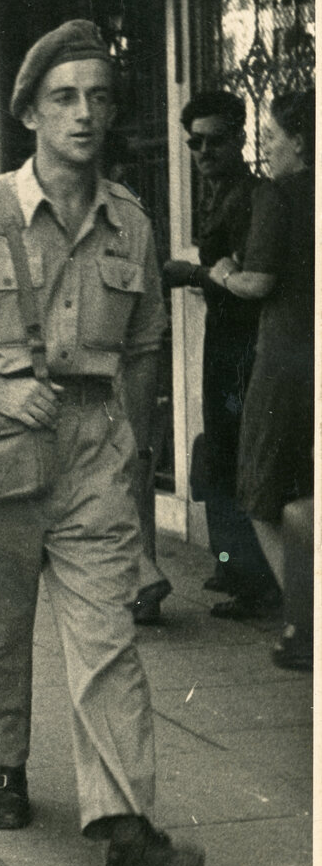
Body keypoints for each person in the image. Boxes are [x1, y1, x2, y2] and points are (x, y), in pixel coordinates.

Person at [0, 20, 205, 866]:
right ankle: (1, 763)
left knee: (106, 639)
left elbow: (141, 346)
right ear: (27, 111)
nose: (84, 114)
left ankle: (126, 826)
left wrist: (132, 453)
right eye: (64, 97)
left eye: (99, 98)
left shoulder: (129, 222)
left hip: (93, 451)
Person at [206, 92, 315, 669]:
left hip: (285, 359)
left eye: (272, 136)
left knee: (261, 488)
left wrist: (219, 271)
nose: (265, 147)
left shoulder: (280, 195)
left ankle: (305, 622)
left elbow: (258, 283)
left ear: (301, 141)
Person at [163, 92, 279, 619]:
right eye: (195, 142)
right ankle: (232, 565)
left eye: (214, 140)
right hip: (222, 337)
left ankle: (252, 580)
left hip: (246, 343)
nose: (203, 151)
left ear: (239, 140)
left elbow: (250, 278)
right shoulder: (216, 194)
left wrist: (190, 274)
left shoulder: (254, 197)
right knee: (220, 449)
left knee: (234, 453)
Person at [104, 132, 172, 625]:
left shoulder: (127, 218)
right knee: (130, 473)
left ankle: (141, 576)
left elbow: (146, 331)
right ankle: (141, 577)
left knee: (122, 475)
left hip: (117, 371)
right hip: (119, 371)